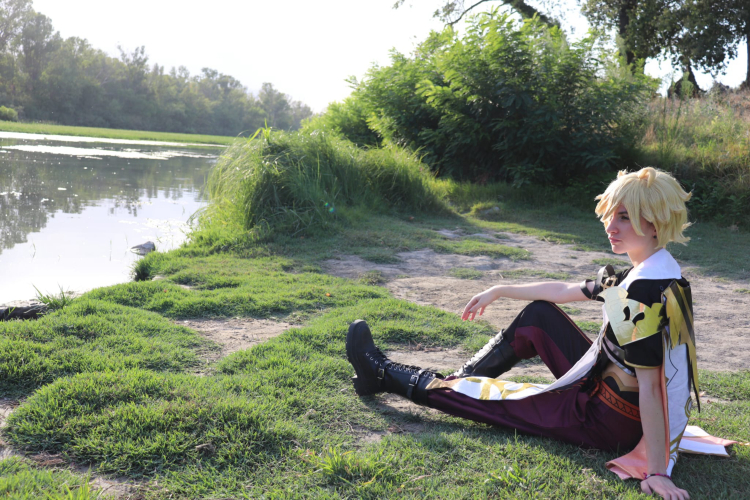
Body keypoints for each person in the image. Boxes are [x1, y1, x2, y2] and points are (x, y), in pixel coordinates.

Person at [346, 167, 710, 500]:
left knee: (491, 402)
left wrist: (657, 472)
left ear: (655, 224)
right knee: (538, 315)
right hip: (606, 385)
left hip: (607, 420)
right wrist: (500, 290)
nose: (610, 226)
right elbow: (565, 290)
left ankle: (381, 373)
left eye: (625, 217)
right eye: (611, 214)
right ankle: (465, 378)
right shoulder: (655, 273)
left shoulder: (641, 294)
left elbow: (652, 385)